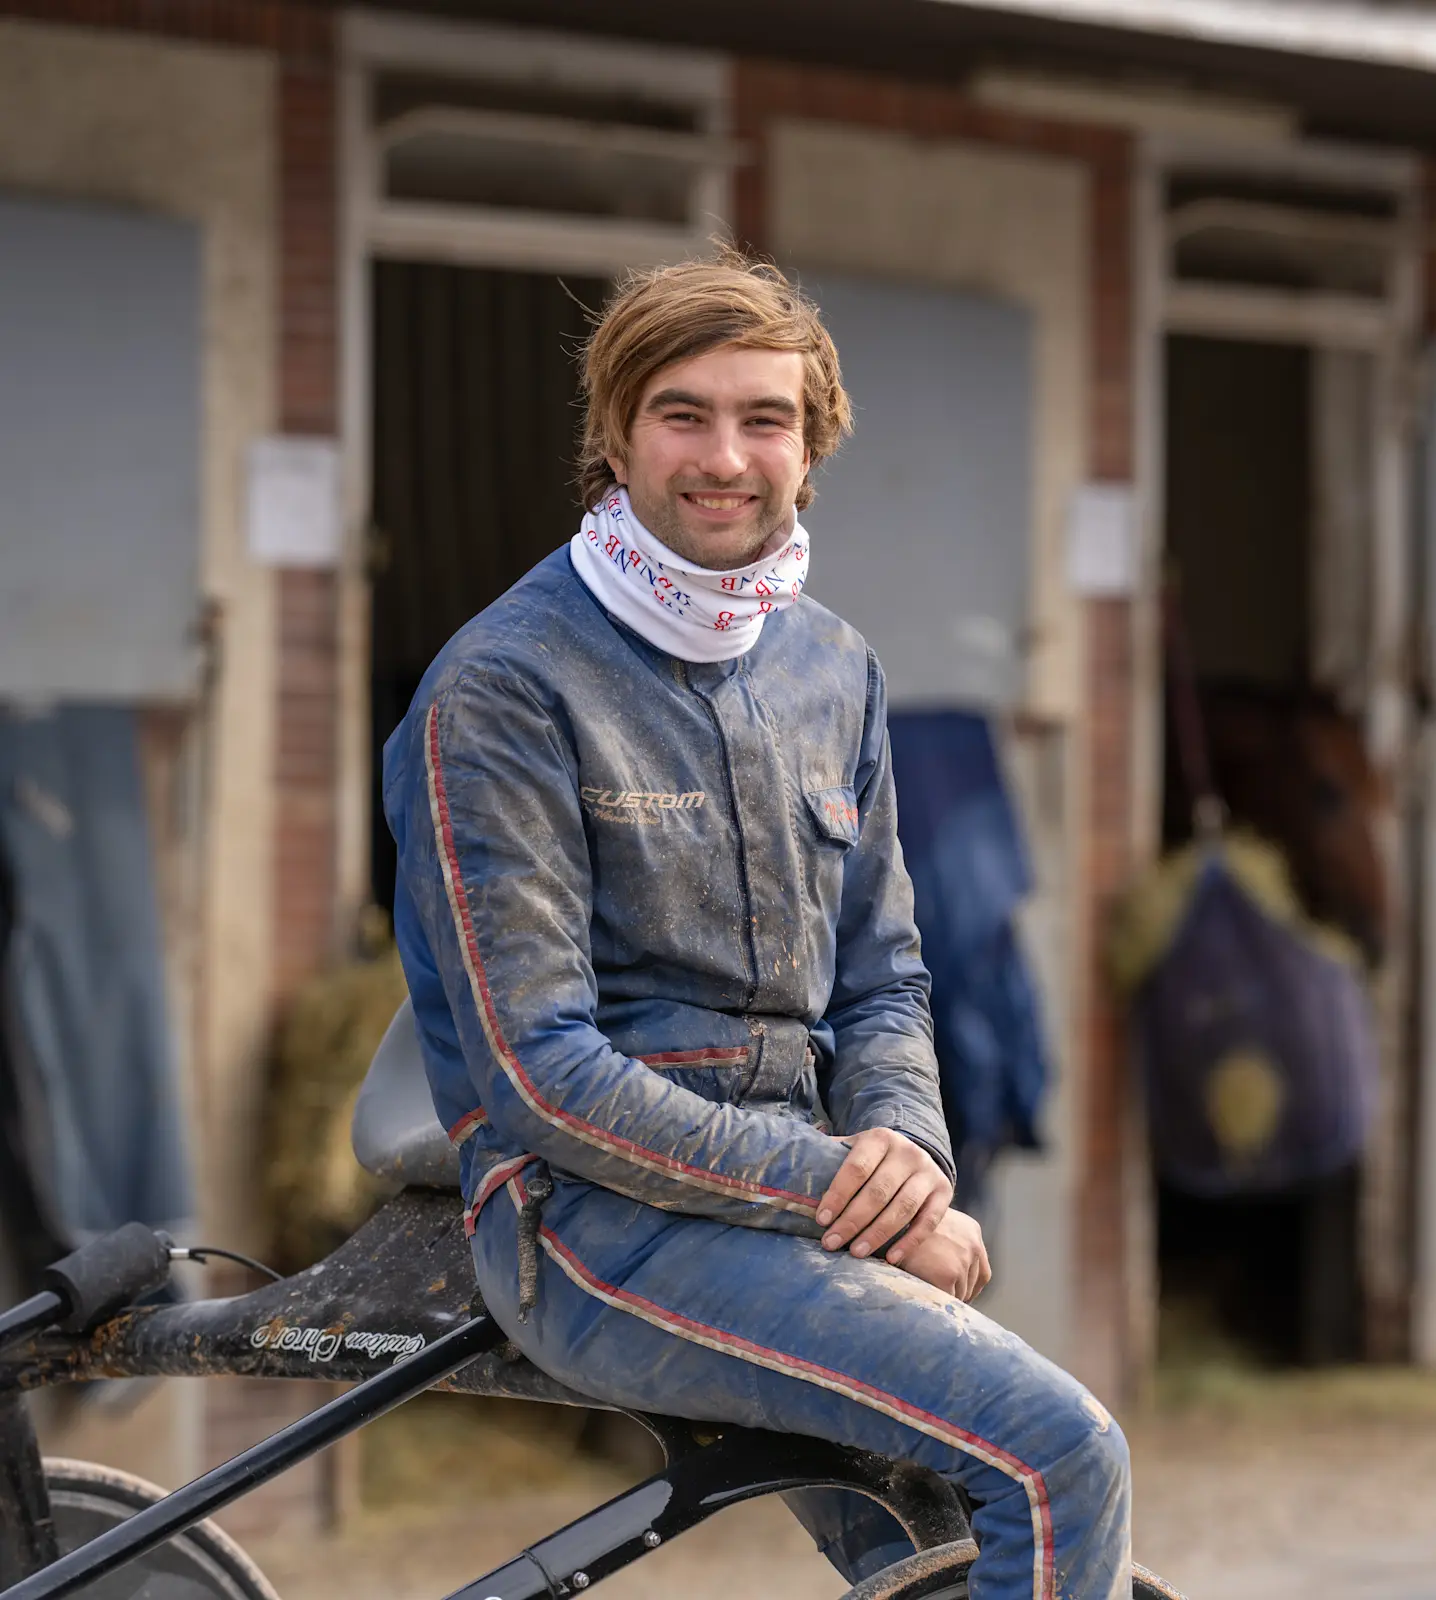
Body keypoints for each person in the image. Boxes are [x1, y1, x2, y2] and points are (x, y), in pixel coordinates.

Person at [382, 248, 1132, 1599]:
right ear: (614, 437)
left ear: (813, 442)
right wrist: (840, 1196)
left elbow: (885, 983)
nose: (725, 456)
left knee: (942, 1541)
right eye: (683, 414)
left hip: (804, 1206)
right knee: (1056, 1457)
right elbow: (539, 1071)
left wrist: (902, 1155)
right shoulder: (503, 687)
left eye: (764, 418)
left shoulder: (832, 670)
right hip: (592, 1226)